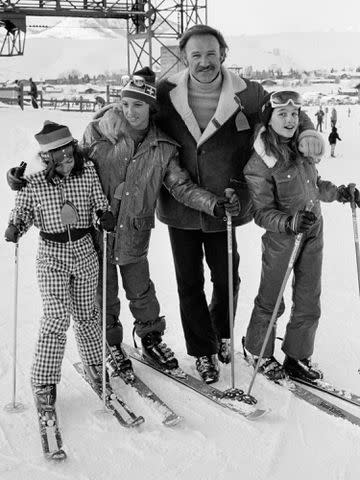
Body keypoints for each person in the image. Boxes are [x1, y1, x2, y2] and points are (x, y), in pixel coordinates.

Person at [152, 25, 325, 384]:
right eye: (196, 54)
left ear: (223, 54)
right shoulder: (165, 91)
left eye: (211, 53)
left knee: (227, 278)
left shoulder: (248, 93)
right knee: (189, 282)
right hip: (181, 206)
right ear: (184, 57)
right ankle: (202, 351)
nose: (204, 61)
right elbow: (127, 115)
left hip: (227, 203)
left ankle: (222, 336)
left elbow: (287, 107)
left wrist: (307, 130)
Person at [80, 67, 233, 379]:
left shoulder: (163, 147)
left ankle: (150, 337)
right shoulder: (100, 133)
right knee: (104, 292)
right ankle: (110, 343)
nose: (130, 112)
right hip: (99, 233)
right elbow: (62, 159)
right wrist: (25, 167)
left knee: (142, 292)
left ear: (151, 108)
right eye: (125, 105)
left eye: (138, 106)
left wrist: (213, 203)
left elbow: (181, 187)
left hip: (135, 233)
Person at [4, 121, 116, 430]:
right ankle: (44, 380)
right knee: (56, 318)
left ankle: (94, 364)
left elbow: (98, 202)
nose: (67, 163)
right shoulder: (34, 181)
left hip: (83, 250)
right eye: (60, 159)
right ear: (47, 159)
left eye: (70, 156)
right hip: (52, 255)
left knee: (87, 313)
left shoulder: (87, 171)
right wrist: (16, 227)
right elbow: (23, 213)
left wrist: (102, 216)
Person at [243, 91, 360, 382]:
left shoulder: (302, 149)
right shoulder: (260, 163)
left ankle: (296, 355)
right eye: (282, 114)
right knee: (272, 300)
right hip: (283, 239)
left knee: (309, 298)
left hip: (312, 231)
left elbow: (315, 185)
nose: (290, 120)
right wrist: (289, 221)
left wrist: (340, 193)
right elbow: (261, 213)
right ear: (269, 119)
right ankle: (257, 350)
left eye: (294, 114)